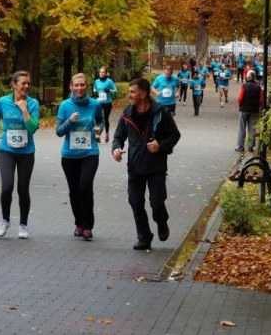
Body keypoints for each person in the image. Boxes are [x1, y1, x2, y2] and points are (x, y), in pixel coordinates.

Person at [112, 79, 181, 250]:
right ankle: (144, 236)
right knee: (135, 202)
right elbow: (118, 137)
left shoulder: (161, 113)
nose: (129, 95)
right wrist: (116, 149)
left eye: (132, 92)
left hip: (156, 166)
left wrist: (160, 145)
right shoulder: (127, 113)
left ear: (143, 93)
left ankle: (162, 222)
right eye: (129, 91)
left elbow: (174, 135)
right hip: (135, 166)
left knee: (156, 202)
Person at [0, 71, 39, 239]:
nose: (26, 86)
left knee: (23, 189)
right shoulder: (3, 102)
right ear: (14, 84)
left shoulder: (33, 104)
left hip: (26, 152)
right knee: (7, 187)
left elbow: (32, 128)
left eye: (28, 84)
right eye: (23, 83)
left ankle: (23, 224)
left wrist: (24, 110)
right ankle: (5, 219)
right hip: (7, 151)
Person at [56, 73, 104, 241]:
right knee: (74, 191)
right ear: (71, 87)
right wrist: (70, 120)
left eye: (82, 85)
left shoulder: (95, 104)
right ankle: (79, 223)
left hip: (90, 152)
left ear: (87, 86)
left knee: (85, 186)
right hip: (69, 155)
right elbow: (59, 132)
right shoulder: (65, 105)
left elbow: (100, 121)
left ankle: (88, 225)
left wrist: (99, 129)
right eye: (76, 85)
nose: (79, 88)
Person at [237, 70, 263, 152]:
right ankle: (251, 146)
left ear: (248, 77)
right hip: (254, 110)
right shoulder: (258, 87)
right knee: (252, 128)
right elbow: (260, 100)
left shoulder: (244, 86)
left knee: (242, 127)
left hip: (244, 109)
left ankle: (241, 146)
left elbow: (240, 98)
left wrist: (240, 105)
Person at [92, 66, 117, 142]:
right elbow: (94, 89)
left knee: (105, 119)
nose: (101, 73)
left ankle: (106, 134)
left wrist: (109, 90)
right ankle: (98, 135)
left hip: (107, 103)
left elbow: (115, 91)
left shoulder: (109, 81)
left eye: (103, 72)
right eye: (100, 72)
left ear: (106, 73)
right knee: (98, 119)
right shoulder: (96, 81)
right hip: (98, 102)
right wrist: (95, 92)